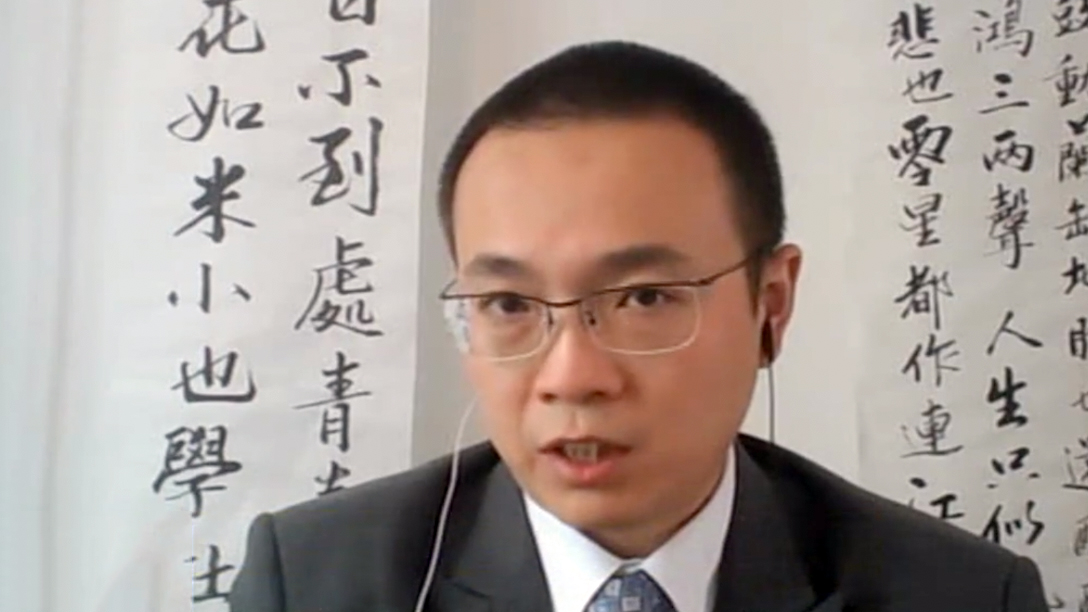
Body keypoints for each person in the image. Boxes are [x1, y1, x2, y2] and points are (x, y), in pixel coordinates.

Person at [229, 40, 1048, 612]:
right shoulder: (312, 583)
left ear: (771, 303)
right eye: (509, 305)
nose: (572, 378)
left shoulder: (963, 596)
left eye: (645, 298)